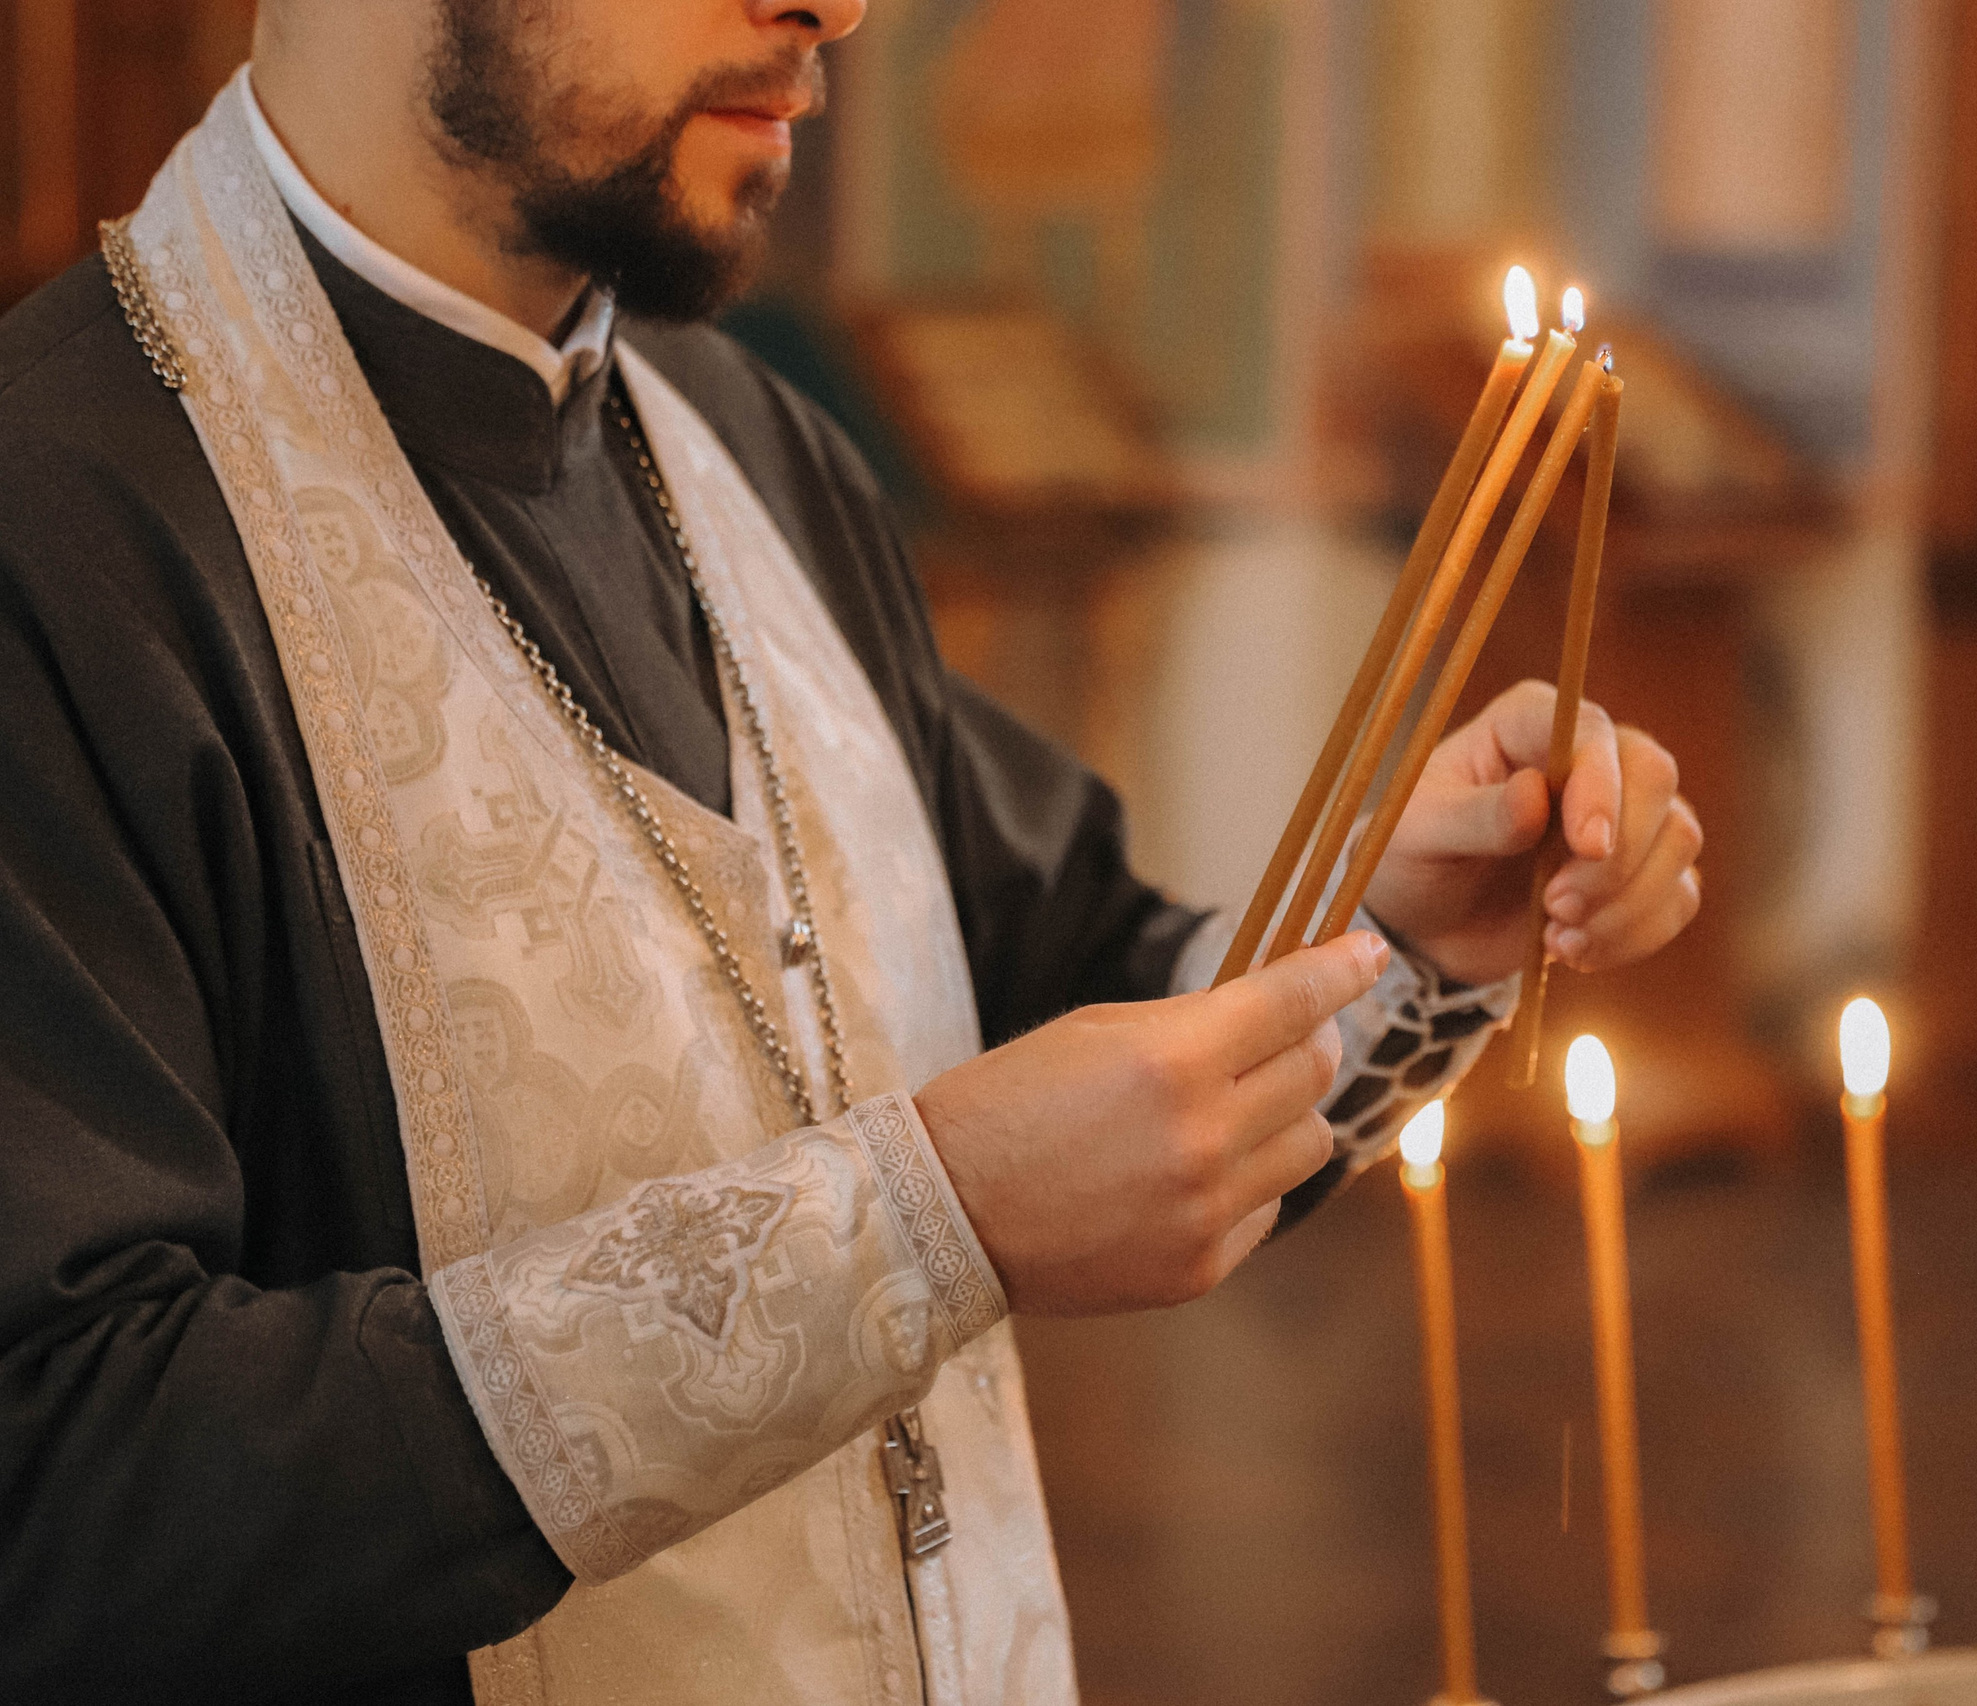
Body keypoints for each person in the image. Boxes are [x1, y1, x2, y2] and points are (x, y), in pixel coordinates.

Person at [0, 1, 1705, 1701]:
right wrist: (915, 1226)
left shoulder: (741, 439)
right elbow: (64, 1481)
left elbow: (1080, 990)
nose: (841, 8)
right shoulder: (57, 523)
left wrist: (1409, 945)